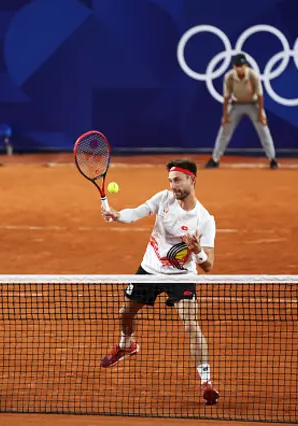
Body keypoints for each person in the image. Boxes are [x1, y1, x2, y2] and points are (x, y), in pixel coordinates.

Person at [99, 159, 219, 405]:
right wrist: (117, 214)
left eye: (177, 180)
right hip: (150, 269)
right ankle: (126, 345)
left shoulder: (205, 219)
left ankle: (206, 381)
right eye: (170, 181)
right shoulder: (163, 199)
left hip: (181, 277)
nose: (172, 185)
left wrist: (198, 252)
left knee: (191, 324)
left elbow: (208, 265)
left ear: (191, 180)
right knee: (125, 314)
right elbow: (137, 212)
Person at [205, 53, 278, 170]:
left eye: (242, 65)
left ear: (246, 65)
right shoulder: (229, 76)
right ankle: (215, 159)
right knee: (225, 130)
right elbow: (226, 97)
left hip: (253, 104)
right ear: (234, 66)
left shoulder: (253, 75)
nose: (239, 68)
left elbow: (260, 96)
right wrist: (225, 116)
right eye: (237, 65)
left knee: (263, 130)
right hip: (236, 105)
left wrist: (260, 115)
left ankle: (272, 159)